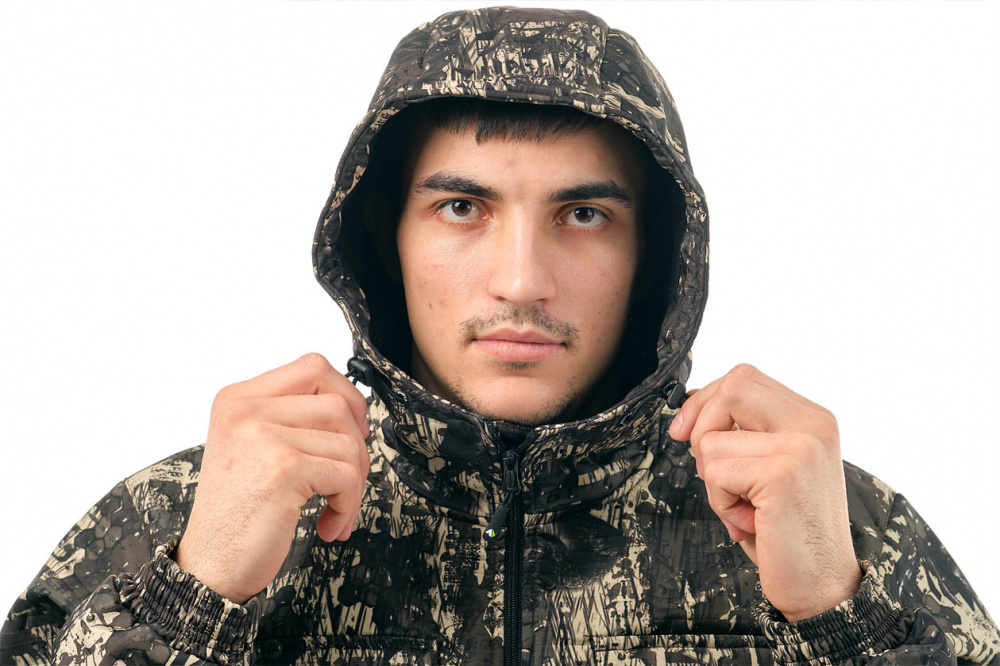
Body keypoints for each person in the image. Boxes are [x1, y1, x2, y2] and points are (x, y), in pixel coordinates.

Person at [2, 5, 998, 665]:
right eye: (462, 208)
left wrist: (842, 619)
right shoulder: (184, 515)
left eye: (583, 214)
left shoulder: (835, 526)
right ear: (385, 236)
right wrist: (193, 599)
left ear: (655, 253)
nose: (522, 281)